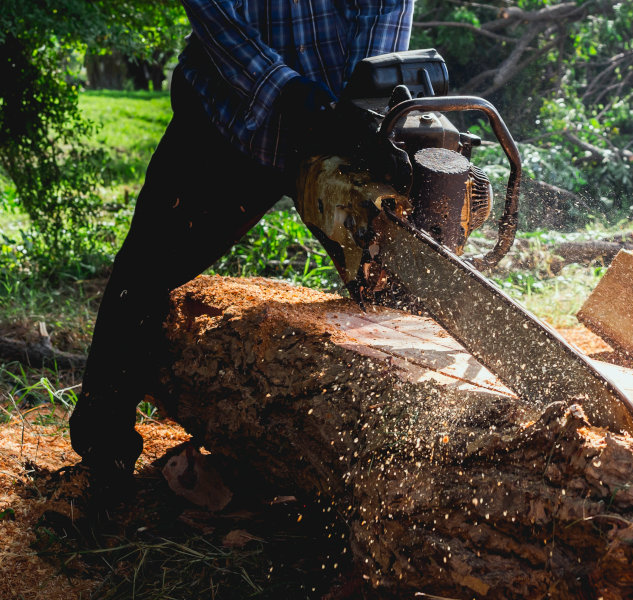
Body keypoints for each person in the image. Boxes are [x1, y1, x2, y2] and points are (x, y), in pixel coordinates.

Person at [68, 0, 415, 497]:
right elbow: (213, 12)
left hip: (336, 120)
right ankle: (103, 451)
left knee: (392, 282)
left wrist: (362, 107)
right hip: (230, 113)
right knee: (146, 271)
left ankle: (406, 465)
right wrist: (286, 90)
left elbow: (382, 15)